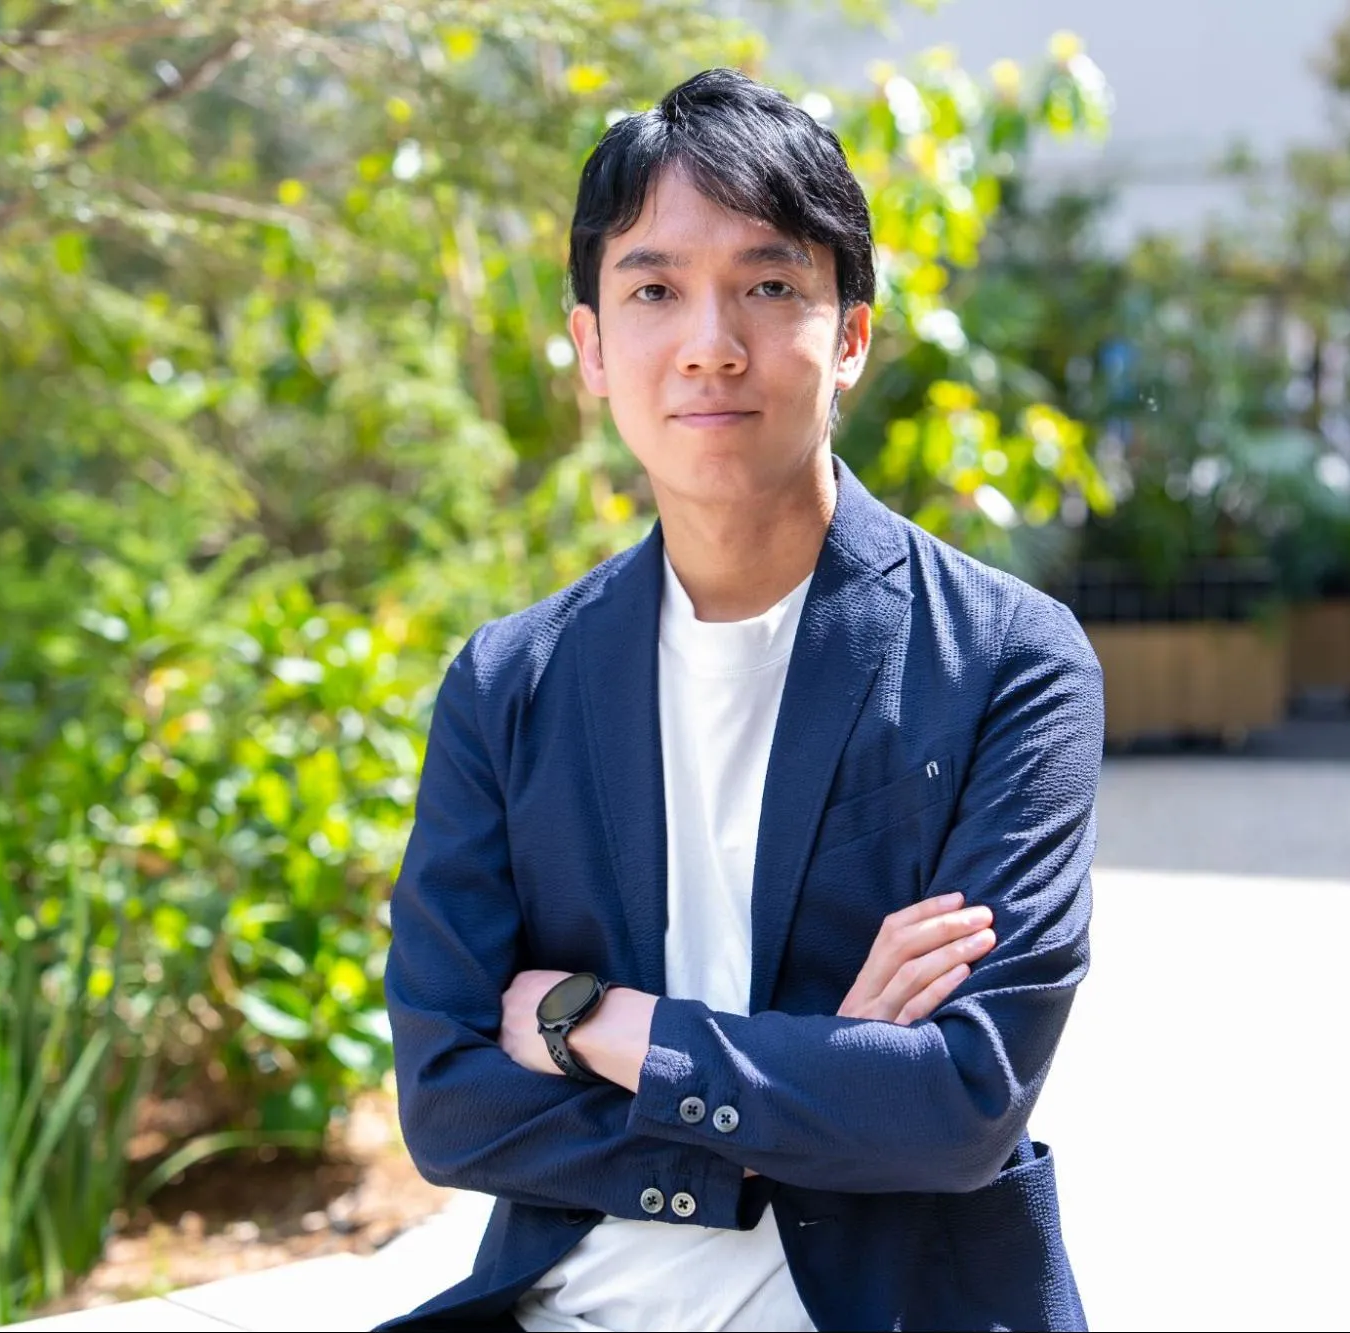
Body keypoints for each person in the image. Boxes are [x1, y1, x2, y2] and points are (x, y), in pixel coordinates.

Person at [377, 67, 1103, 1333]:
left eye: (768, 286)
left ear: (852, 337)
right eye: (653, 289)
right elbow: (448, 1101)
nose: (710, 342)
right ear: (591, 348)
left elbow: (958, 1102)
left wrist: (603, 1024)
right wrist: (818, 1081)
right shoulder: (510, 682)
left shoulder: (1005, 661)